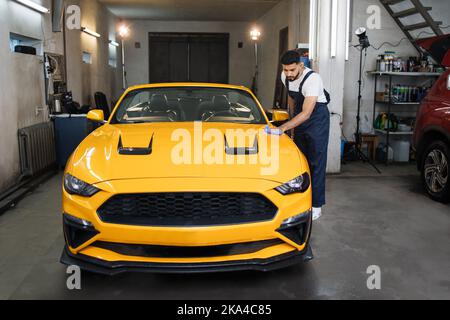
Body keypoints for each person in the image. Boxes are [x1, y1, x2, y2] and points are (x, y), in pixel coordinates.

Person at [267, 50, 330, 221]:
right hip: (299, 118)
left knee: (316, 160)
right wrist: (290, 122)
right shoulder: (284, 76)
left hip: (316, 118)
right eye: (286, 70)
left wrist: (284, 128)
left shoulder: (313, 79)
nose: (288, 74)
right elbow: (292, 99)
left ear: (301, 66)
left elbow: (307, 112)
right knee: (300, 161)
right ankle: (301, 200)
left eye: (292, 70)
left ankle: (316, 204)